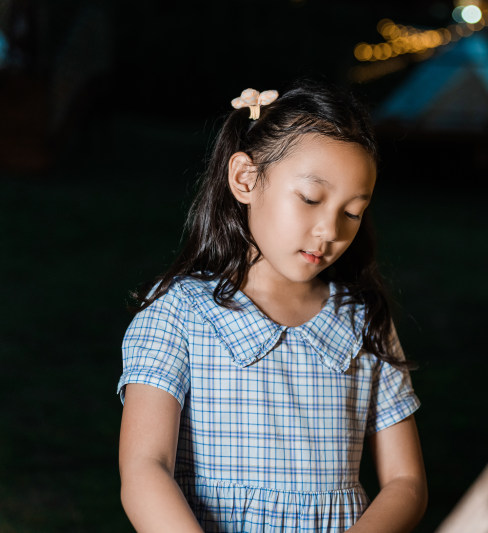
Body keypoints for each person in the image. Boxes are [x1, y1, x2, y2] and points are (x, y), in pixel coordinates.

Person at [117, 80, 427, 532]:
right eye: (310, 198)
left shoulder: (365, 323)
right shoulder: (177, 314)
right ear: (245, 178)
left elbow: (406, 482)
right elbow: (146, 468)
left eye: (352, 212)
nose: (329, 230)